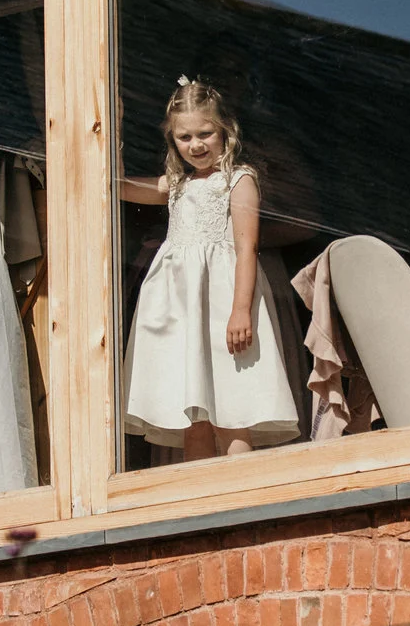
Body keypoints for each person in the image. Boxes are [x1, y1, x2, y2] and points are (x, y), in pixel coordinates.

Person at [120, 78, 301, 458]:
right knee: (194, 416)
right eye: (184, 137)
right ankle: (199, 504)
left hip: (221, 305)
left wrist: (240, 309)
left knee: (230, 407)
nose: (196, 145)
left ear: (225, 131)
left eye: (205, 133)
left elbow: (246, 246)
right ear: (172, 140)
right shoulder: (176, 184)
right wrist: (112, 129)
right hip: (181, 310)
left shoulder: (238, 180)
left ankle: (245, 498)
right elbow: (117, 185)